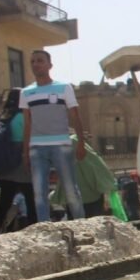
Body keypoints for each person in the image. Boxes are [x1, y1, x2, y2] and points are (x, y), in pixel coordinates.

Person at [20, 49, 87, 222]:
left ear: (49, 65)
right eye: (33, 61)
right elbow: (27, 124)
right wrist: (25, 152)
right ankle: (45, 227)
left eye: (40, 60)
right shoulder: (25, 93)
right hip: (36, 148)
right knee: (39, 193)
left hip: (61, 145)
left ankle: (81, 225)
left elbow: (75, 116)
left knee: (71, 190)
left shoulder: (64, 88)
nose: (36, 64)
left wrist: (81, 143)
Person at [0, 88, 36, 234]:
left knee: (2, 203)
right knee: (31, 201)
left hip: (3, 166)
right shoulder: (24, 118)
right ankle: (34, 232)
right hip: (22, 163)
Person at [51, 134, 118, 217]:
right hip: (91, 198)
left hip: (78, 199)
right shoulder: (88, 157)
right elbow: (100, 173)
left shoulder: (69, 150)